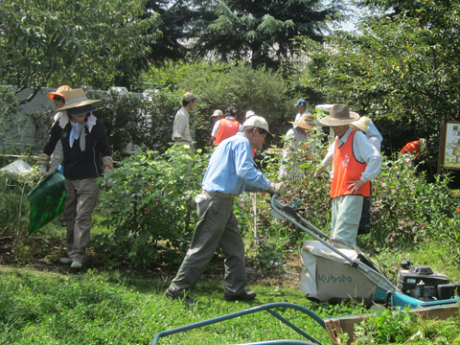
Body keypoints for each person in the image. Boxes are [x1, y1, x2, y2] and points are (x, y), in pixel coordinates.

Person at [164, 116, 287, 302]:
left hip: (222, 203)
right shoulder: (241, 143)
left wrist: (265, 188)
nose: (265, 141)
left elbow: (238, 180)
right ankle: (176, 291)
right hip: (217, 203)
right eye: (264, 136)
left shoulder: (229, 143)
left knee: (235, 248)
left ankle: (235, 290)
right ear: (255, 130)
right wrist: (270, 185)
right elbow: (245, 171)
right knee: (202, 249)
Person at [38, 89, 113, 269]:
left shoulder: (95, 124)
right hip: (69, 176)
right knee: (70, 216)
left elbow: (105, 148)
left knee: (82, 216)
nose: (81, 114)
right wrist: (43, 161)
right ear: (69, 111)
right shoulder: (62, 124)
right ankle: (72, 254)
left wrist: (108, 170)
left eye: (84, 110)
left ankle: (79, 256)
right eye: (77, 110)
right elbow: (50, 143)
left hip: (90, 177)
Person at [314, 104, 382, 246]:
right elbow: (328, 157)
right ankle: (337, 265)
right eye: (333, 125)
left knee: (343, 238)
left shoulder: (357, 137)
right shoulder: (338, 140)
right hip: (338, 193)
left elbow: (375, 157)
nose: (335, 128)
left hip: (352, 193)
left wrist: (362, 179)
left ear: (346, 123)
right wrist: (318, 172)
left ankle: (346, 266)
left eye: (338, 125)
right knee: (335, 236)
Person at [350, 116, 383, 235]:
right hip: (358, 174)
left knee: (364, 202)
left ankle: (363, 231)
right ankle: (357, 230)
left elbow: (372, 158)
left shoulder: (374, 140)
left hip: (365, 175)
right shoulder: (361, 138)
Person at [279, 113, 317, 178]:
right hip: (289, 173)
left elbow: (314, 155)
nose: (307, 130)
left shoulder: (311, 137)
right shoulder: (292, 134)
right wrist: (306, 155)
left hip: (303, 175)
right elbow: (290, 154)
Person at [47, 85, 72, 173]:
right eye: (55, 98)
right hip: (55, 155)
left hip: (62, 158)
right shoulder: (58, 115)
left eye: (58, 98)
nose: (55, 101)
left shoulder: (69, 117)